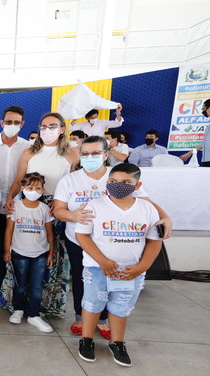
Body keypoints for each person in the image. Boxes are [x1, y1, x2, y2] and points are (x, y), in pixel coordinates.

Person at [52, 136, 172, 338]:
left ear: (106, 155)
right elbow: (58, 210)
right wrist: (73, 215)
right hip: (79, 239)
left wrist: (166, 216)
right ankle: (81, 317)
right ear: (80, 156)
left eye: (96, 153)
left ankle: (104, 319)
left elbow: (145, 201)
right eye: (85, 154)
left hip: (115, 239)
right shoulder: (70, 180)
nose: (90, 157)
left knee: (114, 278)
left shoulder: (118, 175)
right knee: (84, 280)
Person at [75, 163, 162, 367]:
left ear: (137, 185)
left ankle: (118, 342)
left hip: (131, 270)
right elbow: (82, 235)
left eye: (126, 182)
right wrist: (102, 261)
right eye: (113, 182)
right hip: (98, 268)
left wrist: (142, 267)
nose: (118, 186)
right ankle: (87, 340)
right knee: (93, 303)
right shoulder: (94, 205)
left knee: (121, 307)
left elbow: (154, 241)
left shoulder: (147, 208)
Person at [5, 112, 79, 319]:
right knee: (23, 252)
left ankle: (45, 305)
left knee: (52, 256)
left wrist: (62, 204)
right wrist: (10, 198)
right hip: (29, 205)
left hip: (58, 209)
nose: (47, 131)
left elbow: (75, 183)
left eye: (52, 126)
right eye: (44, 127)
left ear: (62, 129)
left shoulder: (72, 154)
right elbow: (19, 180)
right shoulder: (29, 152)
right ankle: (19, 304)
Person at [0, 105, 30, 297]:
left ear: (22, 124)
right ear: (1, 123)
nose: (12, 125)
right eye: (8, 122)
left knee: (6, 248)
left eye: (16, 122)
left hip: (14, 207)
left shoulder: (28, 147)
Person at [3, 172, 54, 333]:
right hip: (19, 252)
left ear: (42, 189)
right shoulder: (15, 207)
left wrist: (51, 253)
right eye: (30, 187)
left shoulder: (44, 209)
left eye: (38, 188)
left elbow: (50, 233)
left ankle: (34, 314)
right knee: (20, 285)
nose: (34, 190)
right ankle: (18, 309)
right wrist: (7, 250)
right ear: (23, 188)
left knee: (37, 286)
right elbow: (8, 231)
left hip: (40, 253)